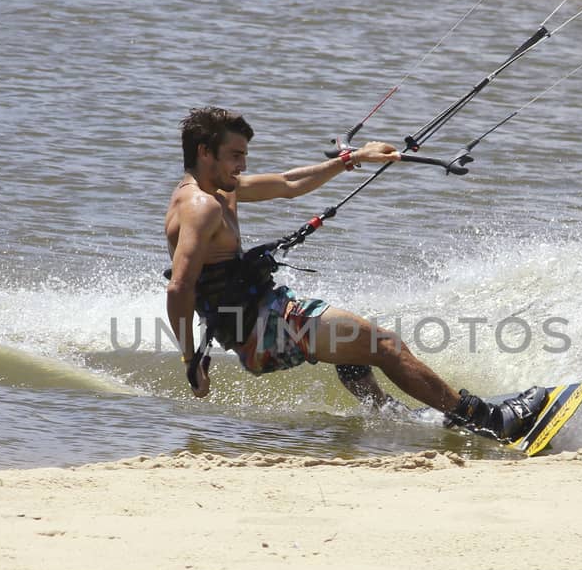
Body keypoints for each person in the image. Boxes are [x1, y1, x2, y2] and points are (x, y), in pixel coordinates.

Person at [164, 106, 550, 441]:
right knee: (386, 347)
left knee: (355, 350)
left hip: (265, 314)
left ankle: (394, 417)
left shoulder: (218, 190)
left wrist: (354, 158)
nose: (243, 165)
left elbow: (287, 183)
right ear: (204, 151)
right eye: (235, 155)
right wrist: (189, 361)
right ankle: (488, 420)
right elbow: (180, 287)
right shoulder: (200, 206)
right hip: (260, 329)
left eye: (244, 155)